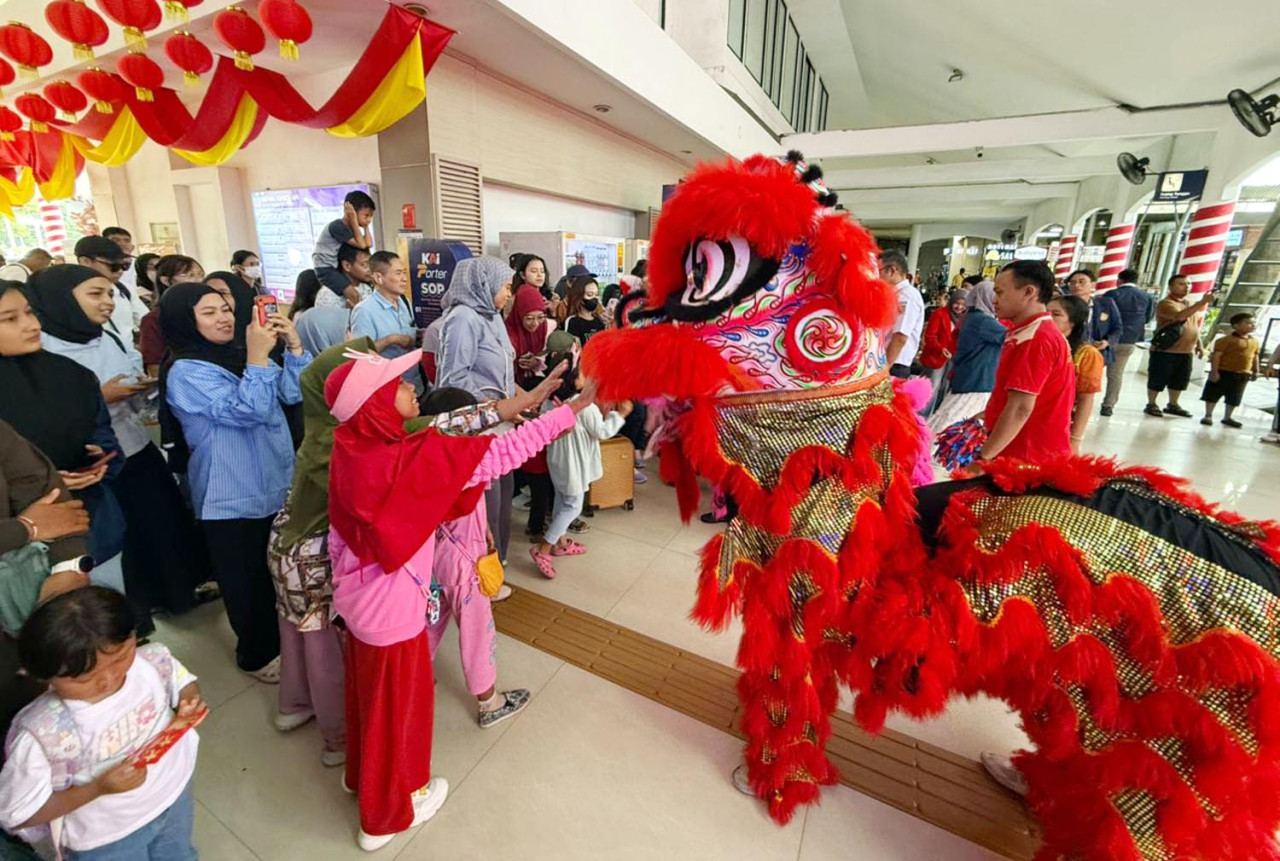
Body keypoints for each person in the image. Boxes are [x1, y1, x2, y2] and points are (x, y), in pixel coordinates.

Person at [324, 348, 586, 850]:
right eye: (397, 385)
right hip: (393, 614)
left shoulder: (354, 447)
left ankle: (361, 779)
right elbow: (504, 453)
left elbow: (441, 428)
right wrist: (572, 409)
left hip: (357, 605)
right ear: (376, 404)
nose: (411, 388)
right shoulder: (405, 463)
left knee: (370, 702)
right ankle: (388, 814)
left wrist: (525, 401)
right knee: (400, 712)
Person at [28, 267, 210, 616]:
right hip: (88, 464)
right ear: (61, 299)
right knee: (116, 541)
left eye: (110, 294)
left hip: (132, 445)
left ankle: (176, 595)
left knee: (160, 525)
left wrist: (141, 390)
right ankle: (130, 614)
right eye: (95, 294)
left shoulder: (106, 335)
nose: (108, 302)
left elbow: (128, 374)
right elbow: (46, 415)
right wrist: (101, 397)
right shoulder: (43, 350)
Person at [160, 282, 312, 682]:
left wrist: (294, 346)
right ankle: (256, 655)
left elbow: (292, 393)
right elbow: (250, 411)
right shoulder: (185, 372)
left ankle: (286, 640)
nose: (224, 318)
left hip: (274, 482)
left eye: (226, 309)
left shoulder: (238, 355)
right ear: (185, 321)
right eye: (208, 313)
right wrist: (258, 357)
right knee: (245, 581)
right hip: (231, 493)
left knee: (275, 572)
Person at [0, 586, 205, 861]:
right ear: (42, 675)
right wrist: (97, 788)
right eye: (85, 678)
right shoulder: (43, 733)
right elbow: (19, 813)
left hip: (174, 794)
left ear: (133, 636)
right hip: (108, 836)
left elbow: (182, 682)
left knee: (178, 855)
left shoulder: (151, 662)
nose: (109, 679)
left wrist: (189, 702)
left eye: (121, 657)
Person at [0, 281, 128, 598]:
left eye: (30, 313)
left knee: (101, 613)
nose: (31, 325)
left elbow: (103, 433)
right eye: (10, 319)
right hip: (17, 556)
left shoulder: (71, 374)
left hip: (92, 521)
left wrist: (100, 460)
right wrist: (47, 483)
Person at [424, 386, 531, 727]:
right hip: (465, 565)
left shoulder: (426, 457)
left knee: (431, 621)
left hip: (432, 562)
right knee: (477, 631)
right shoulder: (469, 459)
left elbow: (470, 502)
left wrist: (483, 525)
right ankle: (489, 702)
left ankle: (417, 676)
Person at [437, 256, 518, 562]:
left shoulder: (492, 315)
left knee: (505, 500)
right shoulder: (463, 319)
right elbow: (453, 380)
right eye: (505, 286)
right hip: (479, 428)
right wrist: (499, 407)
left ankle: (499, 565)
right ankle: (482, 574)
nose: (509, 293)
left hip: (501, 425)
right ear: (484, 284)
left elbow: (502, 374)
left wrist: (524, 399)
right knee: (487, 507)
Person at [529, 369, 629, 579]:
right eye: (583, 375)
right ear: (572, 382)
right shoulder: (584, 406)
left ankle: (561, 542)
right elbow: (602, 432)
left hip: (558, 460)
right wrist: (620, 414)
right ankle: (544, 549)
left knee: (562, 501)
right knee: (573, 506)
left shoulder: (550, 402)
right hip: (573, 464)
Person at [978, 260, 1075, 463]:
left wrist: (985, 457)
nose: (994, 300)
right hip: (1022, 449)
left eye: (1000, 292)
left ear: (1029, 292)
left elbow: (1021, 408)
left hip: (1026, 455)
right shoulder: (1030, 332)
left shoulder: (1036, 338)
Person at [927, 280, 1006, 433]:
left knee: (952, 420)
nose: (998, 300)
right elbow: (1010, 337)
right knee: (957, 425)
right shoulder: (982, 321)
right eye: (996, 294)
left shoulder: (972, 317)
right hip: (976, 382)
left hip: (970, 378)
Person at [1146, 274, 1214, 419]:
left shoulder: (1189, 304)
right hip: (1166, 350)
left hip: (1185, 351)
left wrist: (1199, 345)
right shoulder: (1166, 304)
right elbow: (1179, 317)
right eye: (1181, 284)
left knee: (1180, 380)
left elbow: (1194, 326)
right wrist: (1202, 302)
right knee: (1158, 377)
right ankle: (1151, 403)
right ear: (1171, 287)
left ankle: (1173, 404)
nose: (1186, 287)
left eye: (1188, 284)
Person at [349, 251, 418, 387]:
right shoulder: (364, 311)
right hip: (388, 386)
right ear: (378, 278)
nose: (404, 278)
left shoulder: (405, 301)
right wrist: (390, 340)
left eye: (404, 273)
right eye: (398, 273)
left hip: (415, 381)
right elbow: (361, 354)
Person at [1048, 294, 1103, 452]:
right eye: (1045, 313)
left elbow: (1086, 399)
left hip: (1059, 426)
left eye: (1056, 314)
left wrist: (1075, 439)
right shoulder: (1037, 346)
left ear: (1073, 321)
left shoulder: (1086, 354)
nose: (1048, 318)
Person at [1100, 268, 1154, 416]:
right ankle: (1108, 405)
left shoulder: (1112, 294)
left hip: (1106, 339)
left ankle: (1081, 401)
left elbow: (1102, 317)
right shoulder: (1146, 296)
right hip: (1129, 340)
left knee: (1093, 371)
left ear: (1119, 280)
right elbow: (1147, 318)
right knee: (1116, 374)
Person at [138, 256, 205, 376]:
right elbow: (154, 368)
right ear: (166, 281)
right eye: (190, 275)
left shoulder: (206, 311)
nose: (198, 280)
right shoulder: (154, 319)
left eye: (201, 274)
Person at [313, 191, 375, 309]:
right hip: (325, 268)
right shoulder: (337, 226)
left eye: (370, 217)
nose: (369, 220)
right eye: (366, 216)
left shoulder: (350, 229)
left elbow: (368, 244)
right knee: (352, 294)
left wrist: (366, 226)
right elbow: (362, 245)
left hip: (333, 264)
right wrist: (353, 219)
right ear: (351, 212)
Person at [74, 236, 144, 344]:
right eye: (113, 266)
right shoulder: (70, 294)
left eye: (124, 266)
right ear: (85, 261)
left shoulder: (124, 289)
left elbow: (144, 320)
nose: (120, 271)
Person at [1201, 312, 1261, 428]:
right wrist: (1214, 371)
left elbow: (1255, 356)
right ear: (1236, 325)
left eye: (1253, 323)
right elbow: (1217, 356)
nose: (1252, 325)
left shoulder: (1254, 341)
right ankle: (1208, 415)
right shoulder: (1225, 340)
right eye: (1248, 323)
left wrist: (1255, 370)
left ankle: (1228, 417)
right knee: (1213, 394)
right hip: (1224, 371)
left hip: (1242, 374)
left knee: (1235, 397)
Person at [919, 288, 968, 415]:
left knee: (944, 388)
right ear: (951, 301)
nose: (959, 307)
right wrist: (941, 348)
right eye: (957, 303)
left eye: (963, 304)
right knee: (931, 388)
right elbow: (930, 336)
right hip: (935, 357)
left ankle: (936, 416)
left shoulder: (964, 319)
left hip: (951, 358)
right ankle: (922, 417)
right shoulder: (939, 314)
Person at [878, 249, 924, 379]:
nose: (876, 276)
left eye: (879, 271)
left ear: (892, 270)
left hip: (893, 364)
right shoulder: (894, 294)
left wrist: (884, 369)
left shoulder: (906, 296)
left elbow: (900, 337)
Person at [1065, 269, 1123, 368]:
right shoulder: (1062, 305)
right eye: (1073, 283)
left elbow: (1117, 327)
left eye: (1082, 282)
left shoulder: (1106, 304)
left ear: (1092, 285)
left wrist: (1107, 341)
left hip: (1096, 354)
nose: (1077, 285)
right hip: (1069, 354)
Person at [505, 283, 554, 391]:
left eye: (540, 317)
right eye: (529, 318)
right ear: (519, 314)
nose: (535, 323)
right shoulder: (506, 334)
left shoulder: (547, 327)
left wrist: (537, 363)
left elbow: (547, 358)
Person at [563, 276, 607, 344]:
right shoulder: (572, 322)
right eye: (590, 295)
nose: (594, 298)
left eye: (596, 294)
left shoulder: (599, 321)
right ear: (579, 297)